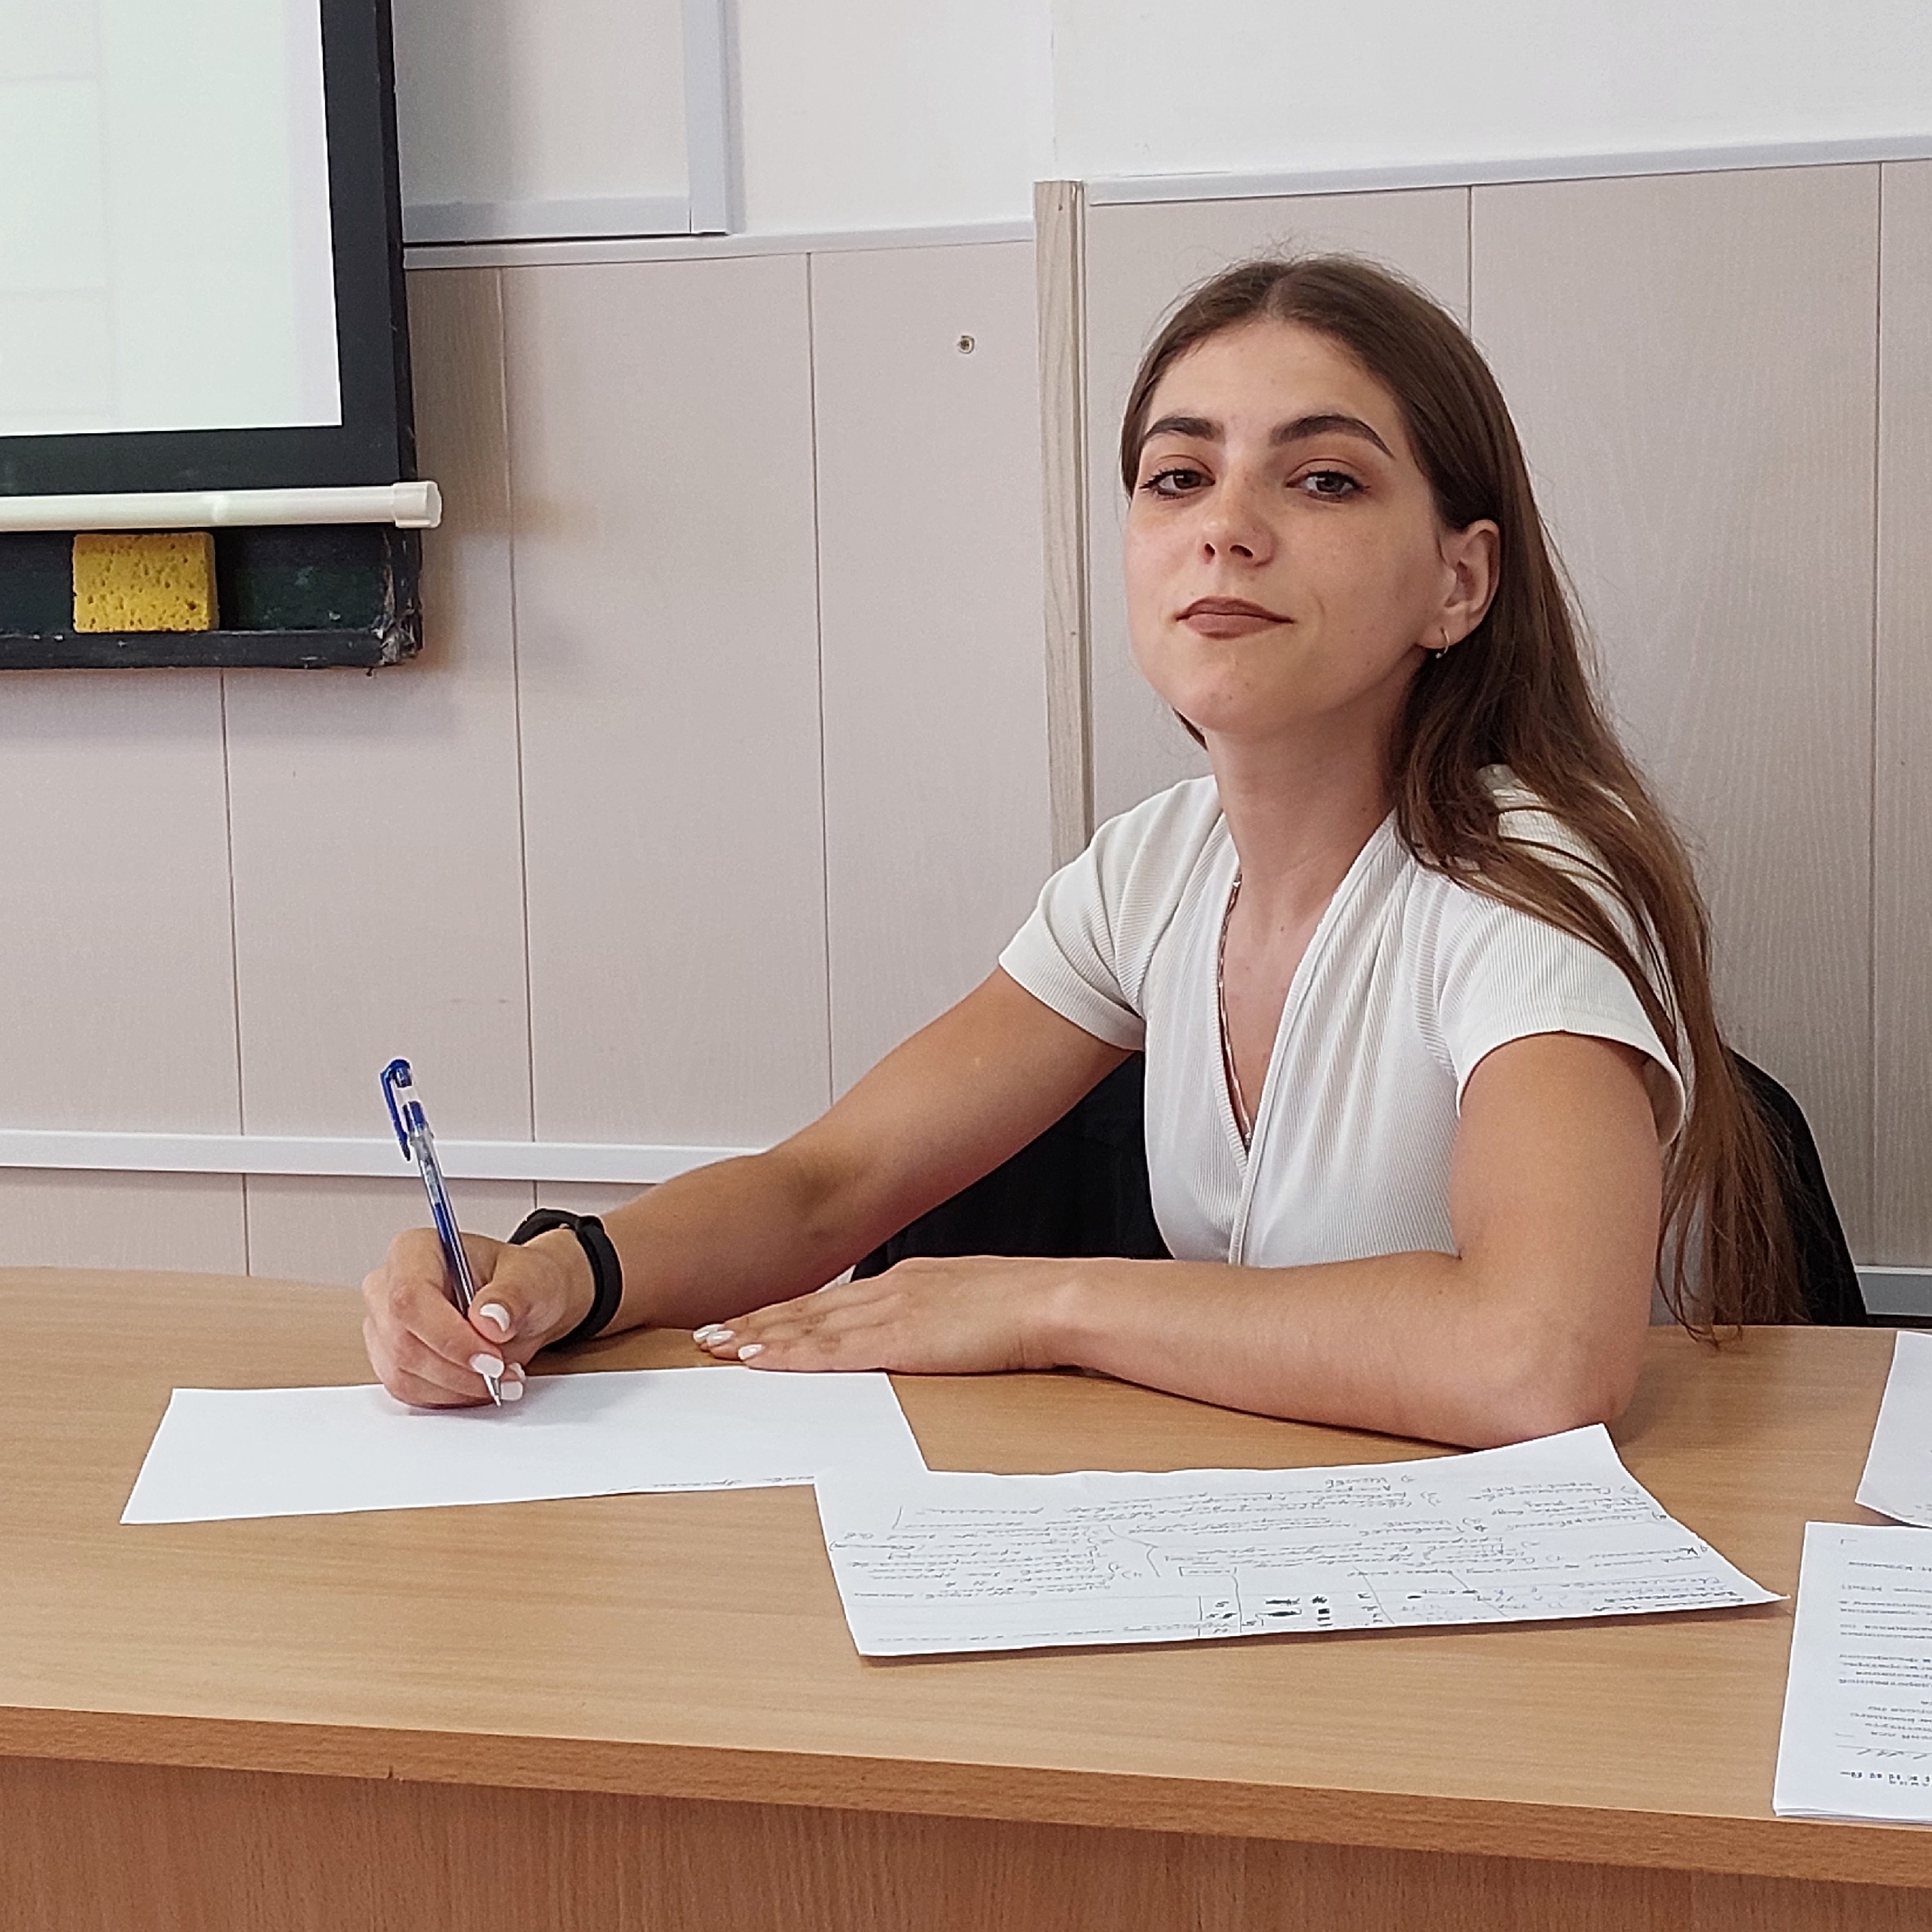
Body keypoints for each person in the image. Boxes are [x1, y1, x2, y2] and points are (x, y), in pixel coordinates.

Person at [361, 255, 1804, 1447]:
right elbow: (827, 1187)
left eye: (1322, 482)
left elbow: (1538, 1361)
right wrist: (554, 1278)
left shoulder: (1528, 882)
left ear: (1459, 581)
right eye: (1178, 477)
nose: (1226, 530)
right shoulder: (1152, 870)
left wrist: (1044, 1301)